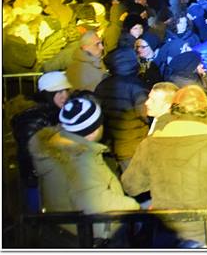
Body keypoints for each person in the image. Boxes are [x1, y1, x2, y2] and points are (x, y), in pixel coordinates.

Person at [121, 85, 207, 247]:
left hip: (166, 237)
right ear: (206, 111)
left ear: (174, 111)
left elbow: (131, 186)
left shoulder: (151, 145)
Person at [29, 96, 140, 245]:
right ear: (94, 129)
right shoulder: (80, 157)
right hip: (92, 236)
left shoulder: (58, 144)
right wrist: (134, 207)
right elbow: (93, 203)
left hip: (64, 231)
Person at [10, 71, 73, 212]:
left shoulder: (52, 112)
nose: (64, 96)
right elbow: (30, 151)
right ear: (47, 94)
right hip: (36, 178)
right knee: (38, 218)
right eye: (58, 92)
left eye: (66, 91)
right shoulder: (33, 117)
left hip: (48, 175)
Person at [94, 46, 150, 171]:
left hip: (112, 145)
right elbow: (146, 114)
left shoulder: (102, 85)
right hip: (134, 146)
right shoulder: (137, 86)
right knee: (137, 185)